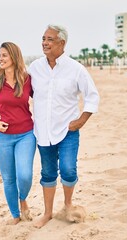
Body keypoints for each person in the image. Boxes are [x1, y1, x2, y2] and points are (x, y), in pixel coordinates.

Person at [28, 24, 100, 228]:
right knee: (48, 173)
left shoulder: (75, 69)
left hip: (68, 130)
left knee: (68, 170)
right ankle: (48, 213)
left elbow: (92, 96)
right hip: (43, 131)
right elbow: (26, 92)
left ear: (62, 43)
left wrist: (81, 120)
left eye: (50, 39)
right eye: (43, 38)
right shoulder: (35, 68)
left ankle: (68, 205)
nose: (44, 43)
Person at [0, 42, 36, 225]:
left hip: (26, 135)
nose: (0, 59)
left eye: (4, 55)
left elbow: (43, 97)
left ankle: (23, 200)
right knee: (8, 178)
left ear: (14, 57)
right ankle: (15, 215)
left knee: (25, 175)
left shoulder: (27, 79)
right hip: (1, 138)